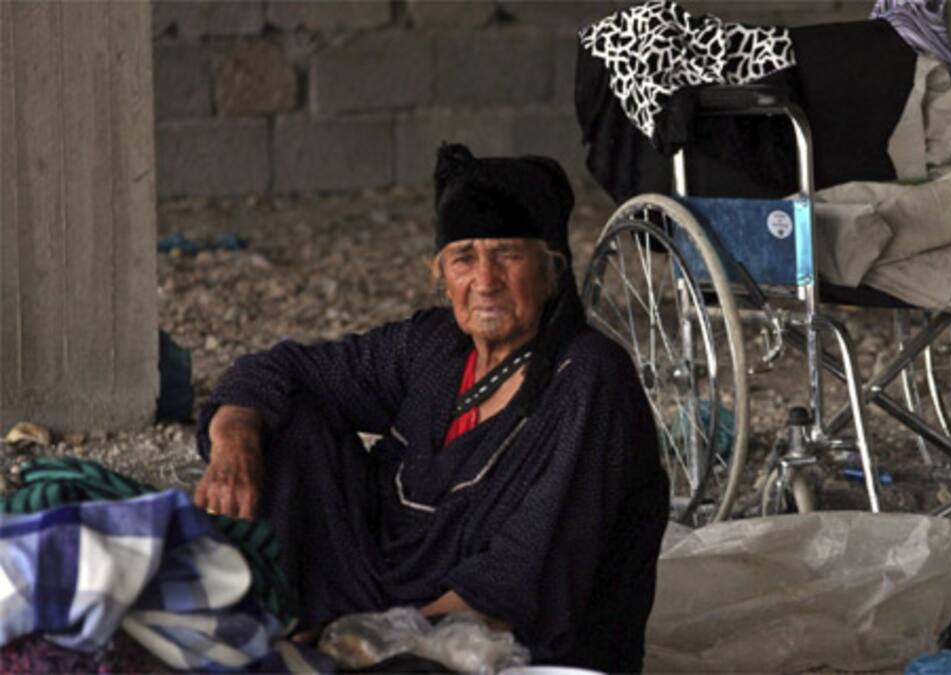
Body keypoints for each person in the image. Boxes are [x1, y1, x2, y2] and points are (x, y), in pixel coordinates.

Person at [191, 143, 670, 672]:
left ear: (551, 268)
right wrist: (234, 443)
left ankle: (332, 647)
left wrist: (389, 641)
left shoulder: (588, 377)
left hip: (495, 634)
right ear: (441, 274)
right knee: (283, 417)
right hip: (385, 601)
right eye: (464, 258)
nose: (484, 281)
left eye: (508, 255)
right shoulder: (433, 345)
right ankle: (295, 624)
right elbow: (277, 370)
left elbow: (524, 574)